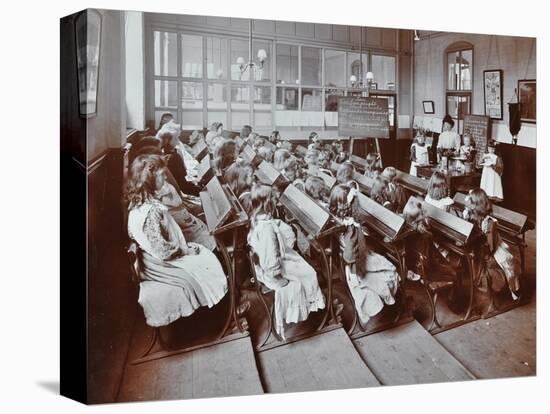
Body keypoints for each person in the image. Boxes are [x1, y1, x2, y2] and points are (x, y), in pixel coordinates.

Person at [125, 154, 227, 327]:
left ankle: (221, 310)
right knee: (206, 262)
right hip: (162, 262)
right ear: (149, 178)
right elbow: (163, 251)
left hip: (157, 256)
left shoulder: (141, 202)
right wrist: (185, 250)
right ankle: (221, 316)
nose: (165, 178)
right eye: (162, 175)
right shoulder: (149, 212)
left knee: (205, 255)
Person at [248, 184, 325, 339]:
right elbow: (271, 259)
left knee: (299, 262)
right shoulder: (267, 229)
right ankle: (314, 309)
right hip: (272, 272)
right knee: (309, 273)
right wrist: (278, 277)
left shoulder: (257, 220)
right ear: (267, 203)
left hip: (264, 266)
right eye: (274, 199)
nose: (277, 201)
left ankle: (311, 306)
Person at [329, 184, 400, 325]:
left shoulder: (336, 219)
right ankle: (392, 306)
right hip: (357, 263)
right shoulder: (352, 228)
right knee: (391, 270)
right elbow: (350, 255)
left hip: (350, 262)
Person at [463, 189, 520, 303]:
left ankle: (501, 289)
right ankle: (477, 284)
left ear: (477, 205)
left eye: (469, 203)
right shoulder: (471, 216)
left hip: (494, 251)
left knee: (489, 264)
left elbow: (490, 247)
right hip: (480, 247)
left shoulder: (489, 223)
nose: (467, 205)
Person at [157, 122, 201, 196]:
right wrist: (199, 189)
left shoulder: (167, 152)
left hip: (180, 188)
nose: (178, 140)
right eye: (176, 138)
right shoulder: (172, 158)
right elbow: (182, 184)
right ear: (168, 140)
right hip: (181, 192)